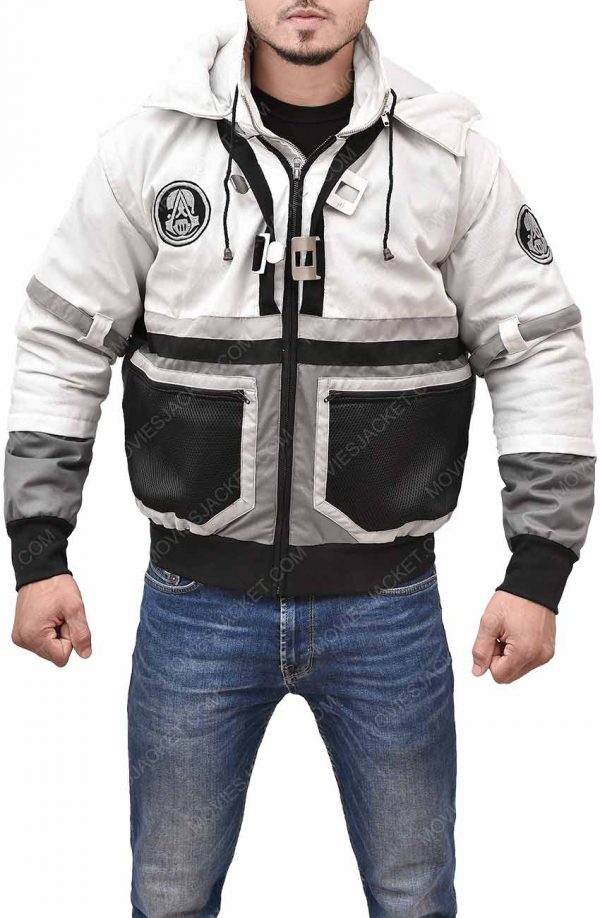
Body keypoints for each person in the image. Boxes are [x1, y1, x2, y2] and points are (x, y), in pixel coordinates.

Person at [5, 1, 595, 915]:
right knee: (169, 896)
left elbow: (535, 347)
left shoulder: (451, 158)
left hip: (389, 608)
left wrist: (540, 569)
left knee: (414, 897)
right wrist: (39, 552)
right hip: (194, 607)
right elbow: (66, 338)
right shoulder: (145, 151)